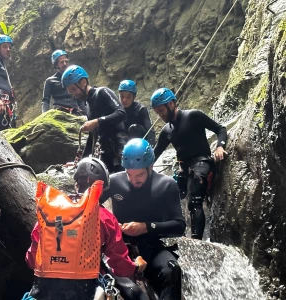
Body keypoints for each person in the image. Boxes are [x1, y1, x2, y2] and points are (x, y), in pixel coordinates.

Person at [25, 157, 147, 300]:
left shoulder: (50, 213)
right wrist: (136, 267)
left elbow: (31, 260)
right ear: (101, 188)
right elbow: (119, 265)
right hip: (85, 290)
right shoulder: (104, 217)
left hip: (44, 290)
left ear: (76, 184)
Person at [101, 138, 186, 300]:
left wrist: (146, 226)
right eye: (129, 174)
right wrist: (111, 224)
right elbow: (93, 207)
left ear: (151, 166)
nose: (133, 180)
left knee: (171, 270)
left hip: (151, 246)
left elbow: (179, 226)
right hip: (119, 248)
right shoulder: (114, 181)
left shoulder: (166, 185)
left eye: (139, 175)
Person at [151, 87, 227, 240]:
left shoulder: (193, 116)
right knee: (166, 197)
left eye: (161, 110)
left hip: (202, 163)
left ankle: (196, 242)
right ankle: (171, 234)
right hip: (183, 169)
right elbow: (155, 153)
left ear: (171, 104)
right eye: (157, 112)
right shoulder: (167, 131)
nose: (160, 115)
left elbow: (220, 129)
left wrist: (220, 146)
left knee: (194, 201)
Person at [62, 65, 127, 173]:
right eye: (71, 92)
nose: (74, 94)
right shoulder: (88, 105)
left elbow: (121, 113)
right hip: (105, 150)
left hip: (119, 146)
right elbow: (92, 136)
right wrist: (79, 162)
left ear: (83, 82)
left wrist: (97, 121)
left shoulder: (102, 92)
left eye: (74, 89)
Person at [42, 50, 88, 116]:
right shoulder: (50, 81)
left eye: (66, 61)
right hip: (59, 112)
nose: (65, 64)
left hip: (75, 112)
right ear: (56, 65)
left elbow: (80, 101)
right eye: (61, 62)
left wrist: (87, 115)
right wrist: (44, 116)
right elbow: (45, 101)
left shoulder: (73, 77)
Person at [118, 80, 155, 146]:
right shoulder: (117, 110)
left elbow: (150, 131)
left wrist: (150, 148)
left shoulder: (141, 109)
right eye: (122, 96)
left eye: (128, 97)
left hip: (140, 142)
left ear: (134, 97)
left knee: (134, 128)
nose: (124, 100)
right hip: (124, 141)